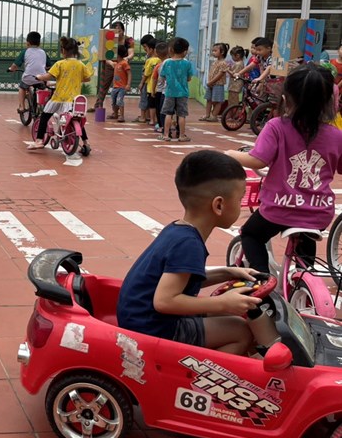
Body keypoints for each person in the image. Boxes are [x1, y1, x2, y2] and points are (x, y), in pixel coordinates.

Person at [117, 151, 277, 355]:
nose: (241, 204)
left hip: (141, 318)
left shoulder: (178, 230)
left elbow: (183, 281)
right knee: (240, 332)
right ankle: (197, 375)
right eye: (240, 199)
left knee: (228, 317)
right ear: (219, 205)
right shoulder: (189, 244)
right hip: (153, 327)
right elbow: (164, 301)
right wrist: (222, 303)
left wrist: (228, 273)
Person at [226, 63, 342, 274]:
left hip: (279, 209)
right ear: (328, 102)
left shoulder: (276, 127)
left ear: (286, 99)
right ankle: (304, 276)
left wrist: (230, 154)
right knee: (306, 237)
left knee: (251, 234)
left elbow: (258, 160)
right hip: (319, 212)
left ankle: (261, 278)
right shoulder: (336, 135)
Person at [28, 36, 92, 155]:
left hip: (59, 97)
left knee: (45, 116)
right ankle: (86, 143)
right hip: (74, 100)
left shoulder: (60, 64)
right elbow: (87, 78)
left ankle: (39, 140)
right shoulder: (81, 64)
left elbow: (48, 76)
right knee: (77, 119)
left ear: (63, 50)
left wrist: (39, 77)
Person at [93, 21, 135, 114]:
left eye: (119, 30)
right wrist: (110, 63)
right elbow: (104, 54)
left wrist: (126, 59)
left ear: (123, 30)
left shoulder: (129, 40)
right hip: (110, 64)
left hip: (122, 66)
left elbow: (131, 53)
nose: (118, 33)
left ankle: (116, 111)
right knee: (104, 85)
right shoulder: (108, 38)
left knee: (120, 88)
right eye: (115, 31)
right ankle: (98, 105)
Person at [159, 37, 194, 142]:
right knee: (182, 115)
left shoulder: (166, 63)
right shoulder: (187, 63)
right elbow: (189, 78)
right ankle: (182, 135)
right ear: (185, 51)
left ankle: (166, 135)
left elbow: (162, 77)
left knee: (168, 114)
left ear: (171, 50)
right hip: (183, 93)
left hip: (169, 92)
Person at [7, 31, 47, 117]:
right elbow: (49, 66)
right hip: (41, 77)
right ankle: (43, 106)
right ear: (39, 43)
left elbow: (15, 65)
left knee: (22, 87)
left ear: (27, 43)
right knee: (44, 88)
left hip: (28, 77)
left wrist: (11, 69)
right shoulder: (43, 52)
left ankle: (22, 107)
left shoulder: (25, 52)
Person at [201, 42, 229, 121]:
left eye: (215, 51)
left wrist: (211, 82)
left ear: (222, 52)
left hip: (218, 85)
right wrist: (210, 82)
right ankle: (207, 115)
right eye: (212, 51)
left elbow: (220, 75)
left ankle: (214, 116)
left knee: (217, 101)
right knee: (209, 100)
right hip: (211, 84)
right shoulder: (215, 62)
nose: (213, 52)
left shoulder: (223, 63)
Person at [136, 36, 158, 124]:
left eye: (145, 47)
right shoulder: (159, 59)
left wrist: (141, 83)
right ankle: (149, 116)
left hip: (147, 83)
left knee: (144, 99)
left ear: (151, 48)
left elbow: (146, 73)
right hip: (154, 84)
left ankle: (143, 117)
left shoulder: (150, 59)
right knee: (151, 101)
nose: (145, 49)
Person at [106, 44, 130, 122]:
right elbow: (107, 60)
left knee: (119, 101)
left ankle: (122, 116)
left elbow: (129, 73)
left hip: (122, 87)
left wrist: (128, 84)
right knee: (113, 101)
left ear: (117, 54)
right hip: (115, 87)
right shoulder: (116, 64)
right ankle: (115, 114)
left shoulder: (124, 63)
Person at [149, 41, 169, 132]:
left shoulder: (158, 66)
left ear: (156, 53)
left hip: (160, 91)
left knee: (159, 109)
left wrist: (153, 90)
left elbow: (154, 79)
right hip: (168, 91)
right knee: (168, 110)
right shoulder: (171, 64)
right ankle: (168, 124)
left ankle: (161, 125)